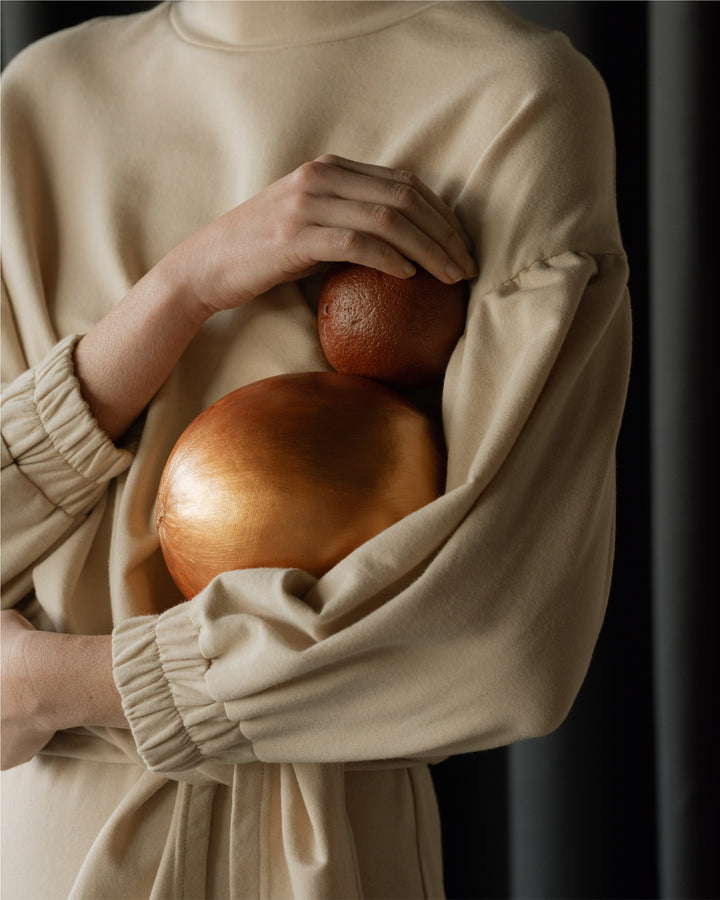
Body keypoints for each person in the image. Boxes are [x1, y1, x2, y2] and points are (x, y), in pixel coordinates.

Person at [0, 2, 632, 897]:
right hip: (46, 847)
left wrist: (66, 685)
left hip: (330, 853)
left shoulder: (510, 97)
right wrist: (182, 288)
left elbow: (504, 635)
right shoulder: (37, 101)